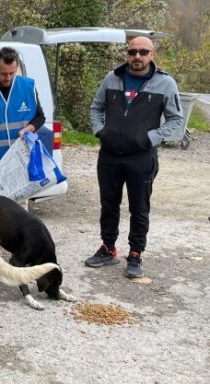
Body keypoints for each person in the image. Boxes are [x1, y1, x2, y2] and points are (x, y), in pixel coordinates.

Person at [86, 36, 183, 278]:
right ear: (127, 54)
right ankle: (108, 249)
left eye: (143, 52)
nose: (137, 56)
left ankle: (136, 254)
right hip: (109, 156)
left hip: (141, 158)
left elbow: (176, 119)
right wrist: (100, 131)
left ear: (152, 54)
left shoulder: (165, 84)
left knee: (139, 208)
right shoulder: (112, 78)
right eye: (132, 52)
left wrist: (151, 138)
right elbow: (96, 107)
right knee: (109, 205)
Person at [0, 47, 45, 185]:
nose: (9, 78)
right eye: (4, 74)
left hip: (22, 159)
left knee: (19, 205)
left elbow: (40, 117)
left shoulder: (28, 86)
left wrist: (28, 129)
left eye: (12, 73)